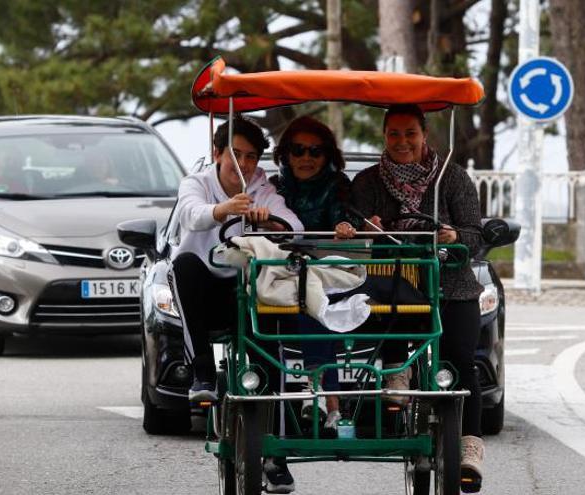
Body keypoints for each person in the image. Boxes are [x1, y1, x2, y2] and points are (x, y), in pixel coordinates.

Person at [350, 104, 486, 491]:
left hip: (450, 285)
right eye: (394, 134)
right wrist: (367, 230)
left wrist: (455, 236)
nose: (402, 142)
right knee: (389, 303)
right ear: (383, 136)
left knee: (462, 362)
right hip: (394, 283)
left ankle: (470, 447)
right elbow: (349, 228)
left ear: (424, 134)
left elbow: (475, 234)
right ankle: (397, 374)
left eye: (410, 133)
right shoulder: (367, 182)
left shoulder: (454, 178)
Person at [170, 116, 303, 493]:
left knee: (271, 354)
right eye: (236, 155)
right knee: (182, 265)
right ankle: (202, 372)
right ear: (217, 154)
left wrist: (271, 222)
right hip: (207, 292)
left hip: (248, 293)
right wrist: (224, 209)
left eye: (251, 158)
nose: (243, 165)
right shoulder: (197, 183)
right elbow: (190, 216)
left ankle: (275, 457)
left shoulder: (261, 188)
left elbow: (293, 225)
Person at [269, 116, 357, 435]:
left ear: (328, 156)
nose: (306, 158)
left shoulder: (339, 187)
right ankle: (327, 401)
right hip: (280, 273)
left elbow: (346, 223)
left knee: (314, 290)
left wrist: (344, 230)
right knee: (310, 289)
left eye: (315, 151)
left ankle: (318, 393)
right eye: (298, 150)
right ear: (285, 154)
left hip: (329, 273)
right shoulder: (272, 188)